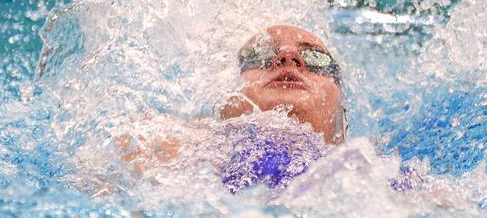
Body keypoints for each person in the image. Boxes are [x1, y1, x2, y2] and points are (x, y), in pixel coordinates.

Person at [116, 24, 347, 191]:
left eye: (316, 57)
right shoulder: (164, 151)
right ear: (224, 102)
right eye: (260, 53)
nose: (288, 56)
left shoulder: (367, 173)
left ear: (342, 127)